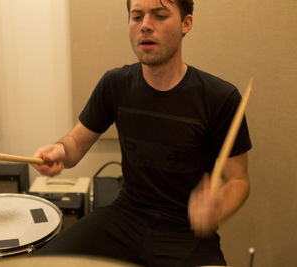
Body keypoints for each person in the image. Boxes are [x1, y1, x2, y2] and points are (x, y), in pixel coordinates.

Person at [32, 0, 251, 266]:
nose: (145, 25)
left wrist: (218, 206)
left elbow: (238, 181)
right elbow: (76, 142)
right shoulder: (115, 84)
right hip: (125, 216)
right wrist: (61, 150)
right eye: (136, 17)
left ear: (186, 23)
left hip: (185, 230)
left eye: (159, 15)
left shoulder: (219, 97)